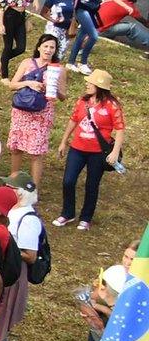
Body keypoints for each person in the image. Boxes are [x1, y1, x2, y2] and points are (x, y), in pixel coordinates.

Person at [57, 68, 125, 229]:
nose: (87, 84)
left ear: (99, 86)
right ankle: (68, 213)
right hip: (77, 148)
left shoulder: (112, 105)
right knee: (68, 181)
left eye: (90, 82)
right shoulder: (82, 101)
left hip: (97, 152)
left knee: (92, 184)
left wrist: (115, 151)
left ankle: (86, 217)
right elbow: (73, 120)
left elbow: (120, 129)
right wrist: (64, 141)